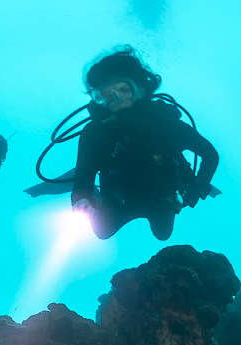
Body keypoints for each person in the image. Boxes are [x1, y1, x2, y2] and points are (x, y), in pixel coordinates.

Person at [71, 48, 219, 240]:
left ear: (141, 88)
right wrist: (83, 200)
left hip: (160, 199)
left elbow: (210, 155)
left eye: (124, 89)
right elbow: (83, 177)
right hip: (117, 198)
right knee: (102, 232)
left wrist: (197, 187)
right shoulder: (95, 133)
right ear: (98, 98)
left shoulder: (167, 124)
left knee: (163, 234)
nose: (116, 99)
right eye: (106, 94)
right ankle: (98, 198)